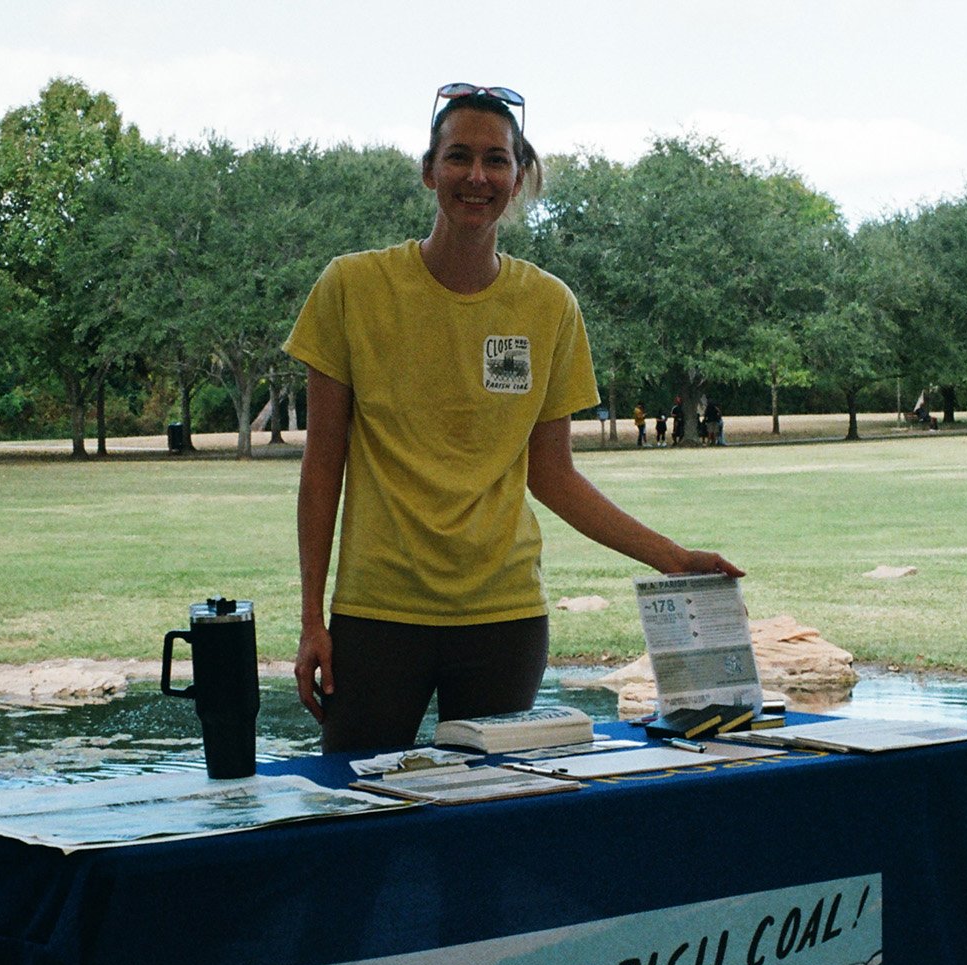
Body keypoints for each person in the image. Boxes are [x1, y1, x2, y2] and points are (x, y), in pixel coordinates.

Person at [285, 83, 743, 753]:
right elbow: (323, 462)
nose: (477, 176)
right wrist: (310, 619)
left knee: (494, 825)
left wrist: (672, 559)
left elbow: (552, 475)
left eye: (496, 159)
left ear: (519, 176)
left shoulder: (549, 307)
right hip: (377, 616)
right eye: (458, 156)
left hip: (504, 622)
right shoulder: (351, 288)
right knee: (357, 817)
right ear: (428, 169)